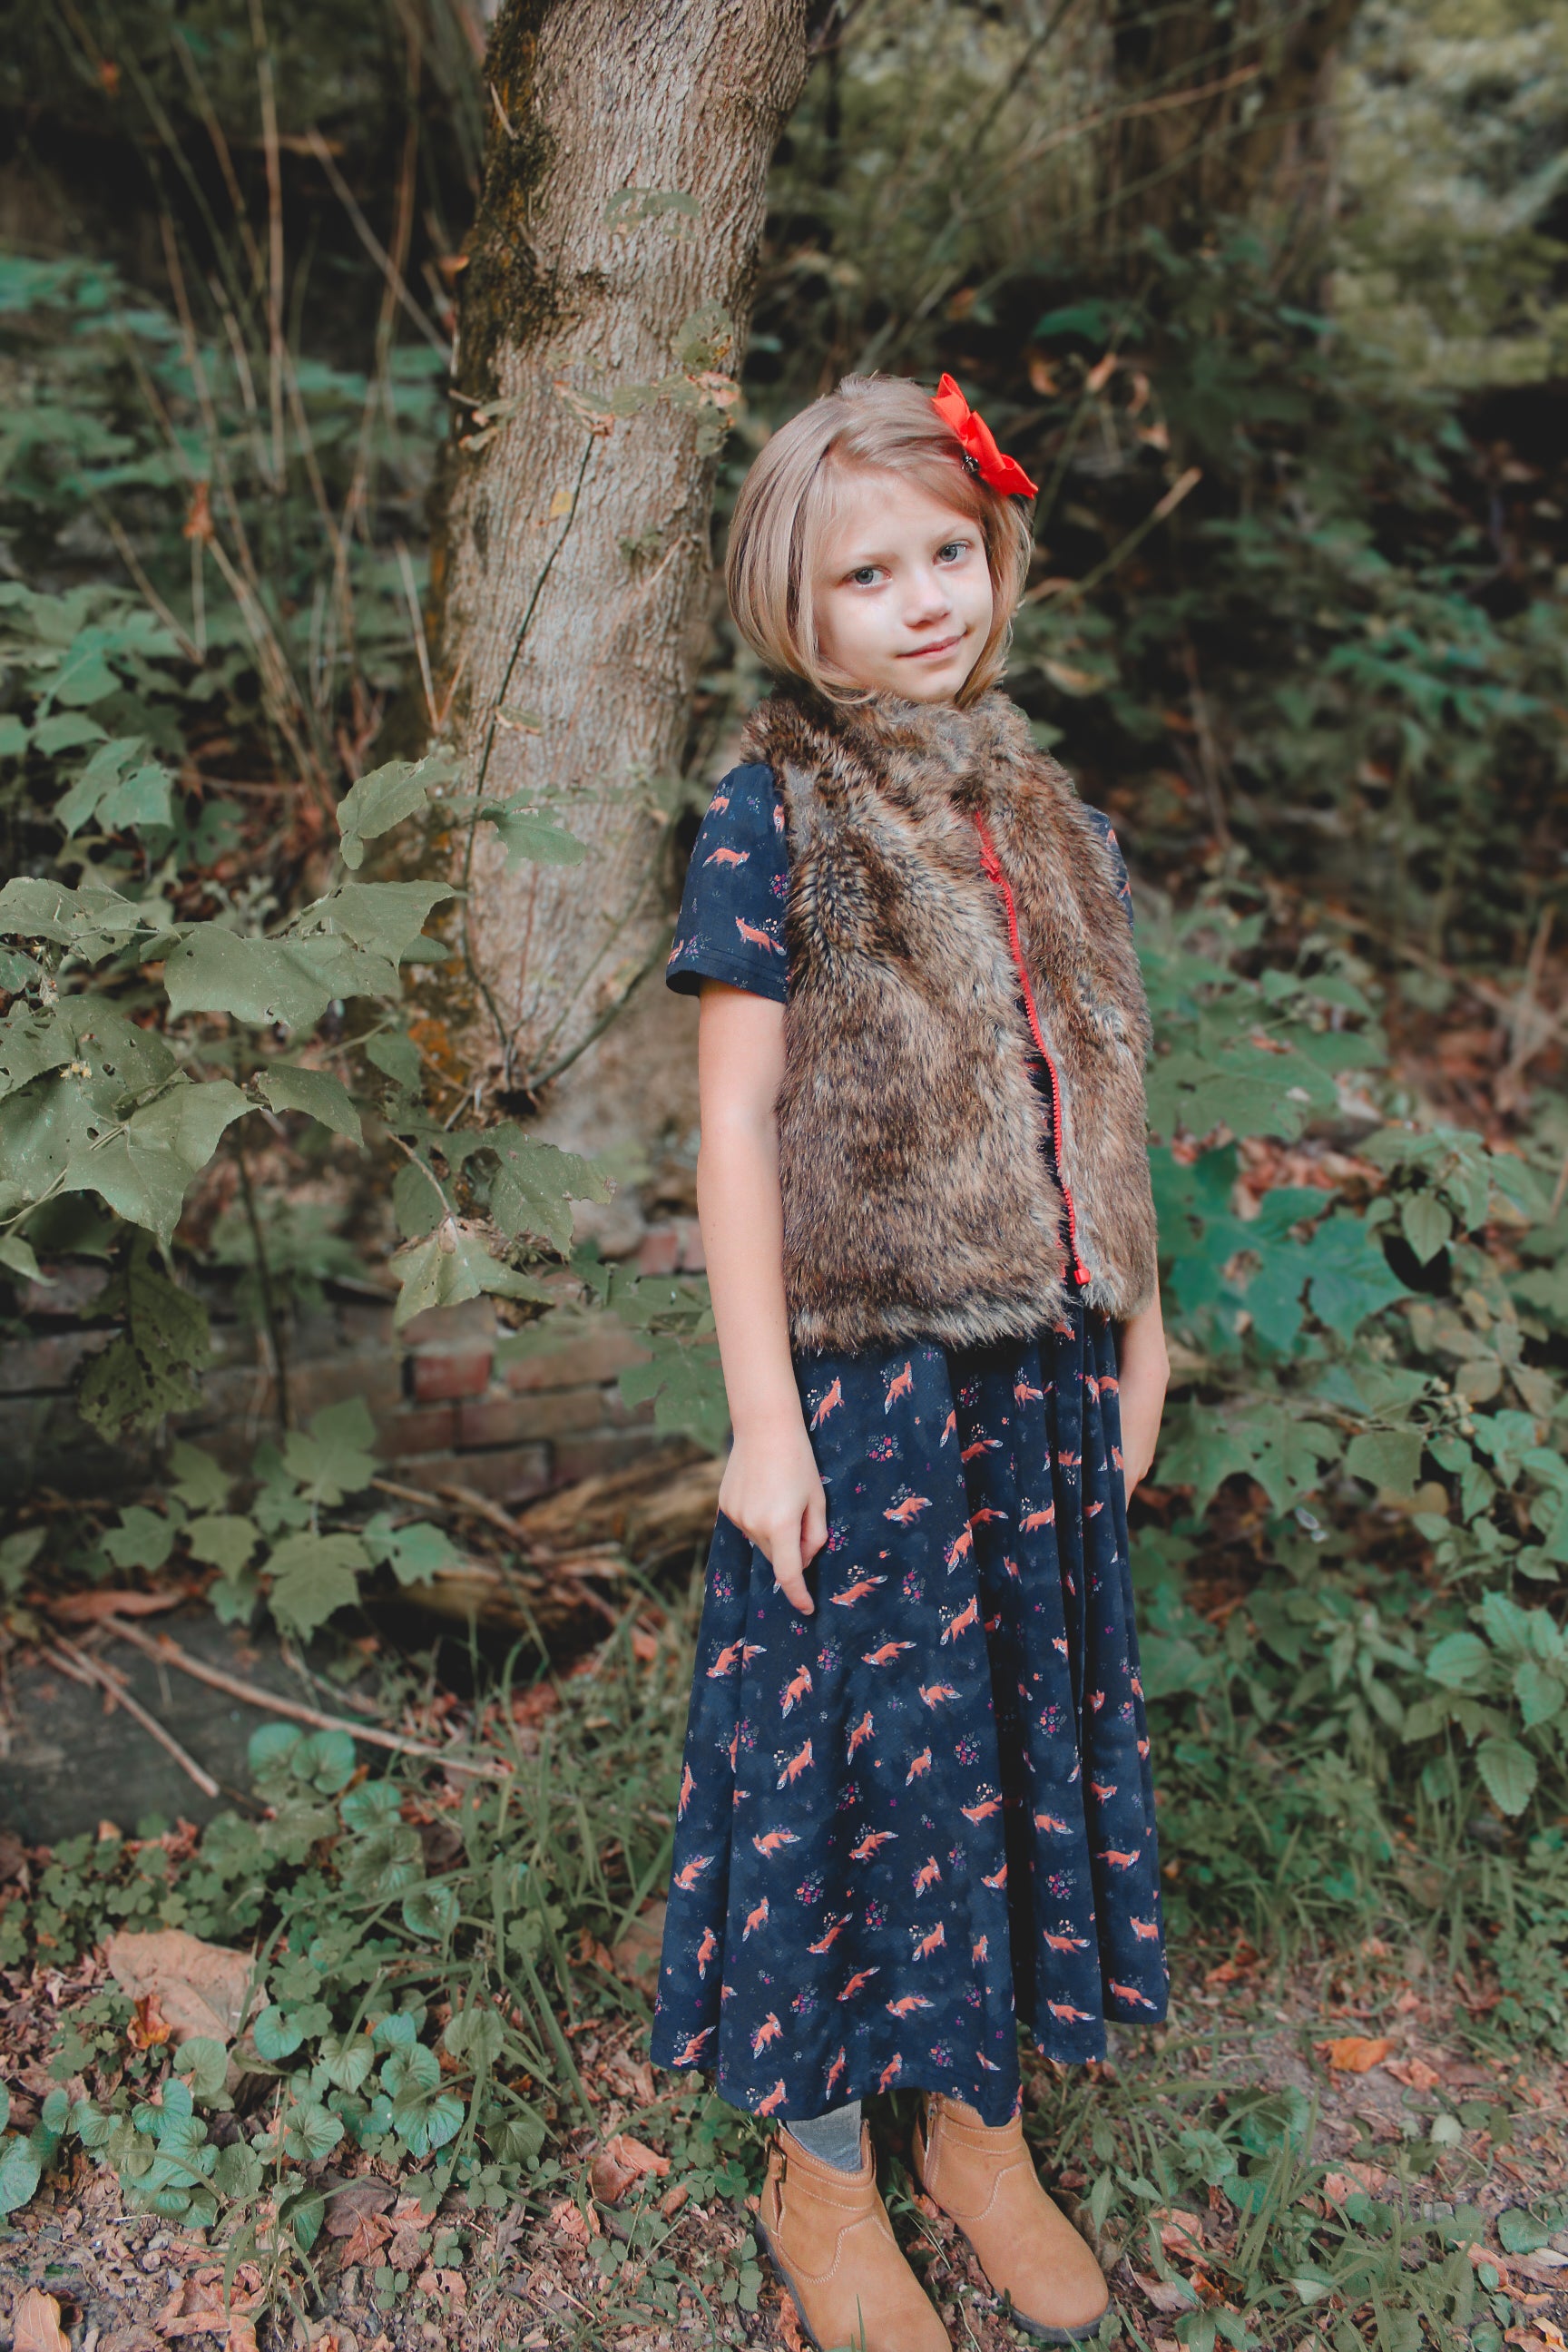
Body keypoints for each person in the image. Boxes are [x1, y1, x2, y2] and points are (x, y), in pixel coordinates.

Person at [649, 369, 1170, 2350]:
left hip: (1035, 1372)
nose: (925, 598)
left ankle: (976, 2121)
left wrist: (1146, 1316)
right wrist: (763, 1422)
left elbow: (1097, 1080)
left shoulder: (1048, 808)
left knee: (1007, 1746)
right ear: (799, 607)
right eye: (869, 573)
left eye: (949, 552)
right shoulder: (774, 812)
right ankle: (824, 2170)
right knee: (847, 1761)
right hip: (863, 1384)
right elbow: (730, 1126)